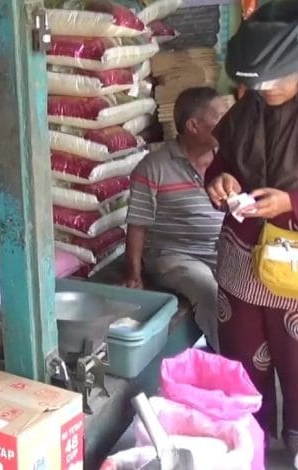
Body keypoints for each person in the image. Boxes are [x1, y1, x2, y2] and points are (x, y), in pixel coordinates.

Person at [204, 0, 298, 456]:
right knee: (244, 362)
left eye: (278, 79)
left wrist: (293, 202)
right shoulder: (245, 111)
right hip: (241, 266)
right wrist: (220, 181)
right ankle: (249, 446)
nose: (267, 89)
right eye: (259, 82)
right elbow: (222, 164)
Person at [124, 87, 228, 352]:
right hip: (174, 256)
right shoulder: (153, 167)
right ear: (193, 125)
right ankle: (230, 362)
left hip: (219, 251)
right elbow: (137, 224)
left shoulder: (227, 160)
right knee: (208, 290)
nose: (228, 123)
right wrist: (134, 274)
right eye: (219, 117)